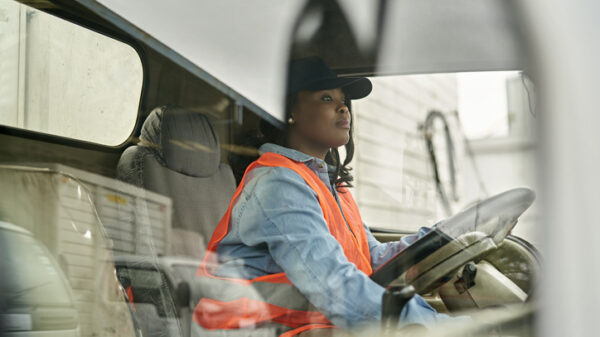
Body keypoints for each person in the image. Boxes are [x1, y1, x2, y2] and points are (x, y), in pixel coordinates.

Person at [194, 57, 452, 336]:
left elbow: (373, 259)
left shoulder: (331, 188)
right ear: (290, 112)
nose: (343, 107)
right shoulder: (278, 184)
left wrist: (442, 239)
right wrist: (437, 326)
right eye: (327, 98)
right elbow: (334, 285)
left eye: (344, 100)